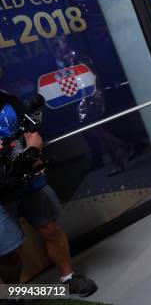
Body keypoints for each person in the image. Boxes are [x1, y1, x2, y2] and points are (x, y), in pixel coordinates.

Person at [0, 90, 97, 297]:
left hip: (29, 181)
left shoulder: (8, 99)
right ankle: (12, 295)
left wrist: (34, 148)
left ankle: (68, 278)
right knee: (9, 254)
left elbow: (31, 132)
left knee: (51, 228)